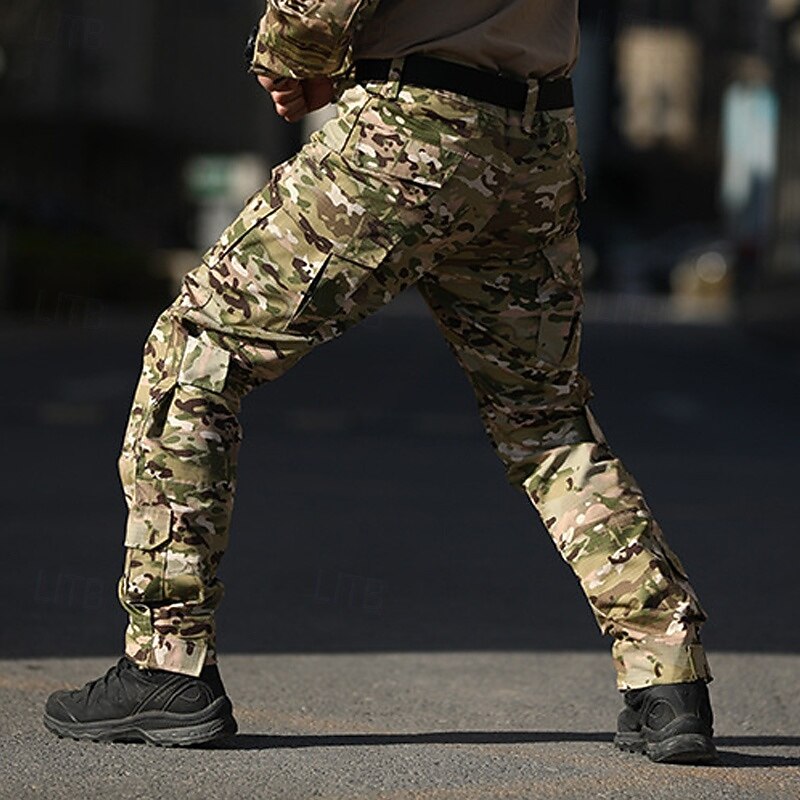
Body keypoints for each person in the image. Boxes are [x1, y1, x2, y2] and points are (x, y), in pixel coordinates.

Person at [43, 0, 717, 764]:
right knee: (543, 417)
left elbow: (316, 13)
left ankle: (167, 663)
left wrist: (290, 55)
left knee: (192, 353)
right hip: (536, 138)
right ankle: (667, 674)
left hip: (411, 131)